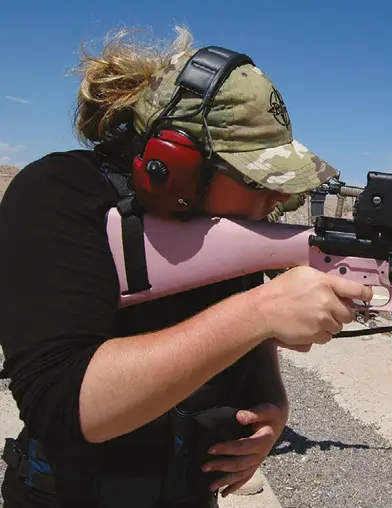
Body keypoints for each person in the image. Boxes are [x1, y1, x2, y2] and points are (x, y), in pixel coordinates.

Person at [0, 26, 372, 508]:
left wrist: (273, 406)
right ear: (175, 164)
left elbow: (247, 337)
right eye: (258, 178)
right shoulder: (58, 194)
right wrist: (258, 311)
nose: (279, 197)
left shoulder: (225, 228)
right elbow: (64, 406)